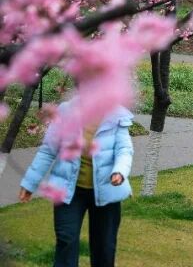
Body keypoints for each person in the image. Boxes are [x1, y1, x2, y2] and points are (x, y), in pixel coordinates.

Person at [19, 105, 134, 267]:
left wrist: (119, 171)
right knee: (66, 241)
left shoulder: (117, 114)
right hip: (68, 191)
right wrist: (30, 183)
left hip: (106, 190)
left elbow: (124, 150)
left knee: (104, 247)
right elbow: (47, 151)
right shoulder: (66, 112)